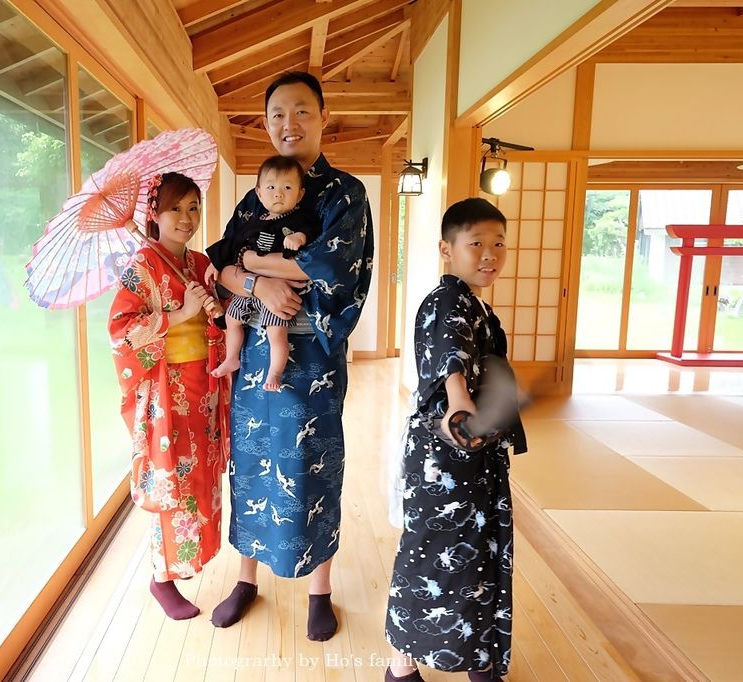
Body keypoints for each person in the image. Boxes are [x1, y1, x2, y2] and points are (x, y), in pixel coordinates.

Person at [209, 71, 373, 642]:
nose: (288, 124)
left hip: (313, 357)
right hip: (254, 352)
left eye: (301, 111)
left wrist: (256, 269)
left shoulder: (346, 193)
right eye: (278, 113)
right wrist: (254, 284)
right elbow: (222, 266)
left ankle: (319, 589)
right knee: (251, 460)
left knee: (311, 467)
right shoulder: (255, 195)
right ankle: (246, 577)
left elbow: (329, 267)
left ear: (322, 118)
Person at [383, 198, 527, 682]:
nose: (490, 254)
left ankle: (481, 662)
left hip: (475, 455)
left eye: (499, 244)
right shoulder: (448, 301)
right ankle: (399, 670)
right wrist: (459, 402)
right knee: (430, 559)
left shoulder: (479, 306)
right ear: (447, 249)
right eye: (476, 244)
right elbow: (452, 358)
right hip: (444, 456)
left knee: (482, 555)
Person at [108, 172, 229, 620]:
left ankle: (189, 559)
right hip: (166, 392)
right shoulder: (141, 266)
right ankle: (161, 579)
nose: (186, 217)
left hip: (205, 387)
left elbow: (217, 320)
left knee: (201, 479)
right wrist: (180, 314)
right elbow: (121, 333)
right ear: (154, 215)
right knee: (170, 483)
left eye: (193, 207)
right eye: (175, 208)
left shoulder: (198, 264)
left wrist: (213, 312)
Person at [206, 154, 321, 391]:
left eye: (287, 187)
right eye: (271, 187)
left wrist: (298, 237)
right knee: (231, 319)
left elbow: (311, 232)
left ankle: (275, 373)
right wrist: (215, 262)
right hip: (249, 291)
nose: (278, 193)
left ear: (299, 194)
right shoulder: (254, 221)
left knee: (276, 332)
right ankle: (232, 358)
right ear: (259, 193)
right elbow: (231, 243)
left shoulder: (300, 219)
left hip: (280, 293)